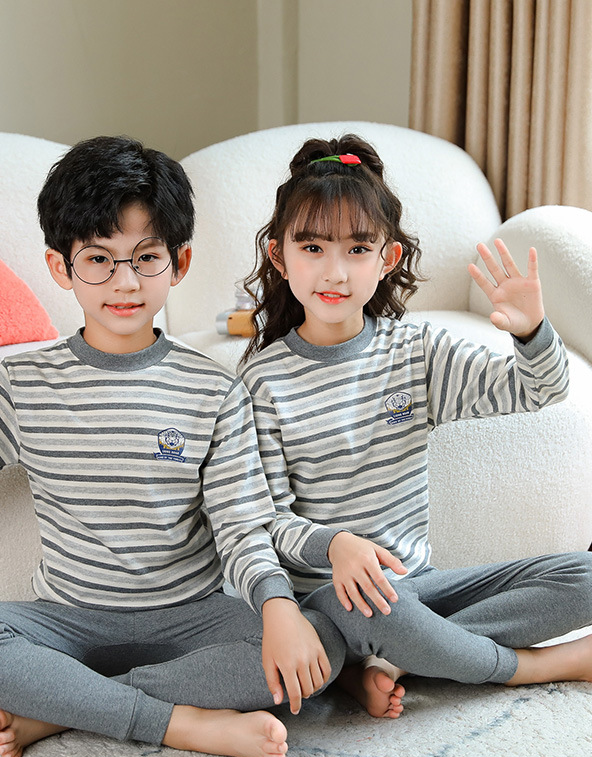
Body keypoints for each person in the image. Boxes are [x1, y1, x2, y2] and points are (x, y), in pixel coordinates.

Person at [0, 135, 347, 757]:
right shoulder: (20, 384)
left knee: (322, 644)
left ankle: (64, 707)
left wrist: (276, 606)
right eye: (98, 260)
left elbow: (243, 524)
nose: (125, 282)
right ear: (60, 267)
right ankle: (181, 724)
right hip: (65, 626)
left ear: (180, 262)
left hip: (192, 620)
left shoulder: (215, 389)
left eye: (147, 258)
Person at [238, 134, 592, 719]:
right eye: (312, 247)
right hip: (329, 600)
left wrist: (531, 331)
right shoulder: (262, 380)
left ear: (388, 259)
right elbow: (265, 520)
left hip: (419, 588)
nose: (334, 271)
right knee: (379, 612)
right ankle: (532, 667)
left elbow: (539, 390)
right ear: (280, 257)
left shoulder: (417, 350)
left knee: (584, 577)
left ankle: (394, 660)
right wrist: (337, 545)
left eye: (358, 248)